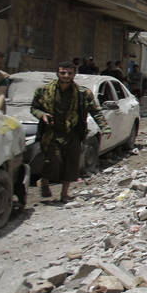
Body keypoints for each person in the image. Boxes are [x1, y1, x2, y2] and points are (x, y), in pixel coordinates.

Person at [30, 60, 110, 202]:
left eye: (69, 73)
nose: (66, 76)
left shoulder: (83, 93)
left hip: (73, 132)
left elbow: (95, 111)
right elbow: (34, 108)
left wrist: (105, 127)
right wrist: (42, 115)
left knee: (71, 163)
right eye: (63, 73)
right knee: (52, 161)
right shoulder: (43, 91)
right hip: (51, 132)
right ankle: (44, 182)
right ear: (58, 73)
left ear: (74, 74)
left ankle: (64, 193)